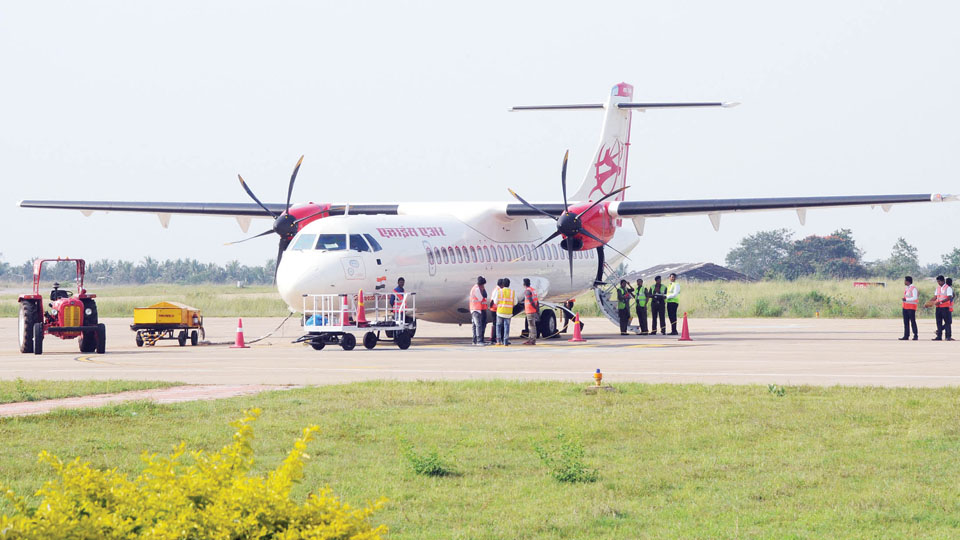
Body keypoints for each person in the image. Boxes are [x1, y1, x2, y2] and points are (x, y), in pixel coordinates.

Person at [493, 278, 516, 345]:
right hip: (508, 312)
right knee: (507, 327)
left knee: (498, 326)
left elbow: (495, 301)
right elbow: (515, 302)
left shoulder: (499, 291)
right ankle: (505, 341)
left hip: (500, 311)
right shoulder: (512, 292)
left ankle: (499, 341)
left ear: (503, 284)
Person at [930, 275, 953, 341]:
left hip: (945, 307)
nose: (938, 283)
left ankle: (948, 336)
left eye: (939, 281)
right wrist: (929, 302)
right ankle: (939, 336)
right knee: (938, 322)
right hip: (938, 307)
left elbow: (949, 297)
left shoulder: (948, 288)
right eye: (937, 281)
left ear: (943, 281)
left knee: (947, 322)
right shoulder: (938, 288)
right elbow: (935, 297)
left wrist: (940, 302)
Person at [469, 276, 488, 346]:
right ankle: (479, 341)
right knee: (478, 325)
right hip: (476, 309)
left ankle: (474, 340)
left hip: (475, 309)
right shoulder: (477, 289)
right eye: (483, 285)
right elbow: (480, 298)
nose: (483, 286)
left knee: (475, 325)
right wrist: (482, 290)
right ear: (481, 284)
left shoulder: (475, 288)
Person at [899, 276, 919, 341]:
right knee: (906, 322)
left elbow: (915, 298)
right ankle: (906, 335)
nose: (904, 282)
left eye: (905, 281)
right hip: (905, 307)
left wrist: (906, 299)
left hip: (911, 307)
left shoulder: (913, 288)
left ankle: (915, 335)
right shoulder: (907, 288)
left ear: (908, 281)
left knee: (913, 321)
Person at [521, 278, 540, 345]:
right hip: (533, 310)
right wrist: (537, 309)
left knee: (532, 326)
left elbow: (531, 301)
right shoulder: (533, 290)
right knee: (531, 326)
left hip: (530, 310)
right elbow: (537, 301)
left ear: (524, 284)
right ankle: (530, 339)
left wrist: (534, 307)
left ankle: (532, 340)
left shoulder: (527, 291)